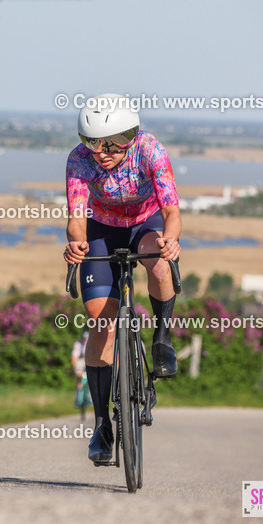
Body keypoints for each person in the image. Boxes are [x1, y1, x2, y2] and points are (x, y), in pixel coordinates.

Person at [62, 95, 181, 463]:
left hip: (145, 224)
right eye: (92, 141)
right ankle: (102, 425)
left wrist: (171, 239)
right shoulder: (78, 161)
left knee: (159, 264)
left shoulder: (150, 151)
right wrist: (76, 242)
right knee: (102, 323)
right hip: (101, 229)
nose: (101, 152)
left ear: (131, 134)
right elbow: (77, 216)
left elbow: (171, 209)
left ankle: (161, 338)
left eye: (112, 142)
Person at [71, 331, 91, 421]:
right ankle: (78, 398)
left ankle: (90, 397)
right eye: (84, 338)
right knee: (79, 376)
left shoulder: (92, 342)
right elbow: (74, 357)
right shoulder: (78, 344)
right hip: (81, 361)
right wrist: (76, 369)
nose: (85, 340)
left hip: (90, 361)